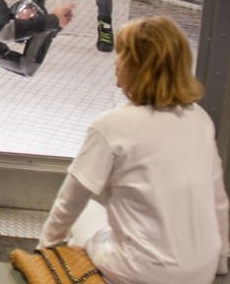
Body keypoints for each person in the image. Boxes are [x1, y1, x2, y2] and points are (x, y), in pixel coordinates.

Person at [38, 16, 230, 284]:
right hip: (202, 271)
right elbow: (218, 200)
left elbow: (70, 200)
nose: (116, 64)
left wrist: (44, 250)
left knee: (85, 217)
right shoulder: (199, 119)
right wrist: (221, 263)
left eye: (122, 56)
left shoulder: (111, 126)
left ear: (139, 68)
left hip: (142, 273)